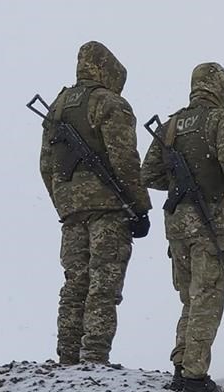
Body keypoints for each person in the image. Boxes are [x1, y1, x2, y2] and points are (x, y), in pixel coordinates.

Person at [141, 62, 224, 392]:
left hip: (177, 228)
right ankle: (195, 377)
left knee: (190, 298)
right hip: (211, 223)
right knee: (207, 298)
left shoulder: (172, 125)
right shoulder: (221, 119)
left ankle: (182, 366)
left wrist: (181, 185)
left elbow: (149, 174)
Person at [39, 41, 151, 366]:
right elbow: (125, 159)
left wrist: (65, 201)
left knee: (75, 283)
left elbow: (46, 166)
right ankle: (94, 359)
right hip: (109, 209)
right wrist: (139, 206)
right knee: (103, 283)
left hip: (72, 213)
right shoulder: (110, 103)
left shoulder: (57, 108)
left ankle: (67, 357)